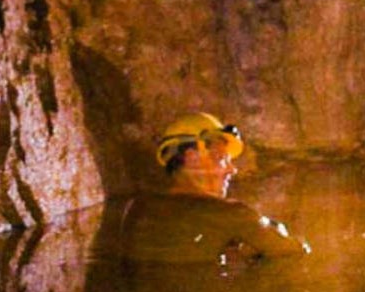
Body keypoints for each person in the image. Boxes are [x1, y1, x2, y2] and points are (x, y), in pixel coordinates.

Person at [120, 112, 308, 264]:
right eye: (222, 159)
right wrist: (272, 234)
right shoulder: (231, 214)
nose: (232, 169)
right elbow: (295, 252)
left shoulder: (136, 210)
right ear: (193, 158)